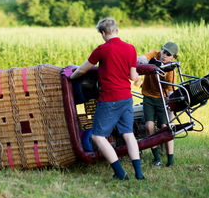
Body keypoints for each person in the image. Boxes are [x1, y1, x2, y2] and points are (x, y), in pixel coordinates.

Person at [63, 17, 145, 180]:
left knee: (97, 137)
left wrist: (70, 77)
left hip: (109, 99)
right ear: (116, 30)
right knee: (128, 134)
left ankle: (120, 173)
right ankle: (139, 174)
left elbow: (82, 70)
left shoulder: (102, 49)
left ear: (103, 33)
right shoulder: (130, 48)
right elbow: (133, 76)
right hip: (126, 98)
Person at [137, 42, 179, 167]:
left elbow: (171, 93)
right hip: (148, 97)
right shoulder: (155, 55)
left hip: (162, 99)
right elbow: (141, 59)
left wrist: (172, 108)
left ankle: (170, 160)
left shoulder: (171, 71)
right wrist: (149, 62)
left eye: (168, 54)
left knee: (165, 127)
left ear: (173, 57)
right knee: (149, 126)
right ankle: (156, 158)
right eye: (163, 51)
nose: (164, 55)